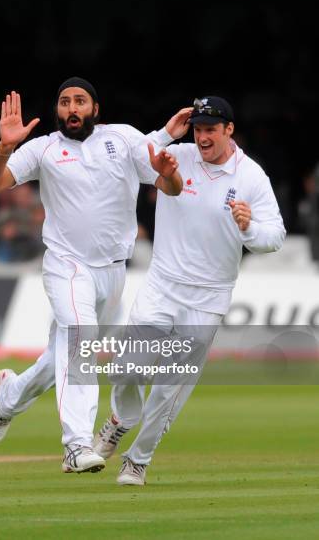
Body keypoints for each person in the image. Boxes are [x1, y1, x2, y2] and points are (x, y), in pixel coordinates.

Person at [0, 78, 189, 474]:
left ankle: (9, 397)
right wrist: (5, 147)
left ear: (96, 108)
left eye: (80, 101)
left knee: (66, 354)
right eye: (64, 102)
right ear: (57, 110)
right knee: (80, 341)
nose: (71, 108)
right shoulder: (44, 149)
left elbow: (171, 187)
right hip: (66, 265)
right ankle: (76, 444)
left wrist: (168, 170)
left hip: (112, 273)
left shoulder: (123, 139)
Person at [93, 96, 286, 485]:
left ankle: (138, 460)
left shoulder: (251, 176)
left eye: (210, 130)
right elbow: (126, 160)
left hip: (208, 296)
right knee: (127, 369)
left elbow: (275, 237)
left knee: (168, 386)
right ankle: (120, 420)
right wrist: (166, 134)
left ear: (229, 130)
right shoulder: (176, 154)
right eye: (197, 129)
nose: (202, 137)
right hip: (162, 284)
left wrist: (249, 229)